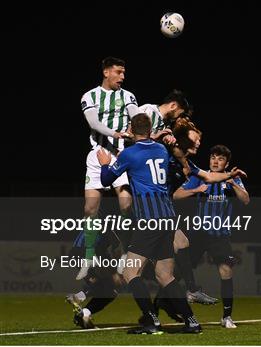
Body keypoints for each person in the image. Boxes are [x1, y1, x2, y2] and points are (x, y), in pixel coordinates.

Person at [98, 113, 201, 334]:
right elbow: (148, 144)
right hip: (168, 219)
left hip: (150, 220)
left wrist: (105, 165)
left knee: (130, 273)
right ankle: (191, 321)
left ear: (132, 129)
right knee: (165, 275)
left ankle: (151, 321)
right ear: (150, 129)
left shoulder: (129, 154)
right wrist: (153, 136)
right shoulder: (161, 150)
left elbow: (107, 180)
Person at [77, 56, 139, 280]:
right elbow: (93, 123)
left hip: (121, 156)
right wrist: (115, 134)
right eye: (118, 72)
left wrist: (141, 133)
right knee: (90, 209)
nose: (122, 77)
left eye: (124, 73)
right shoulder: (90, 96)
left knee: (125, 205)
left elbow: (137, 118)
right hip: (98, 155)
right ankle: (89, 257)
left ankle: (125, 252)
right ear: (106, 72)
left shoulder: (128, 96)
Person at [174, 144, 250, 328]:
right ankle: (160, 307)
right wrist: (195, 190)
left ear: (227, 163)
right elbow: (176, 195)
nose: (216, 161)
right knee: (177, 273)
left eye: (220, 159)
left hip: (220, 234)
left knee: (226, 271)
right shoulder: (200, 176)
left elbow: (246, 200)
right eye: (213, 157)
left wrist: (232, 182)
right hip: (199, 232)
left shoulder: (232, 180)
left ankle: (226, 317)